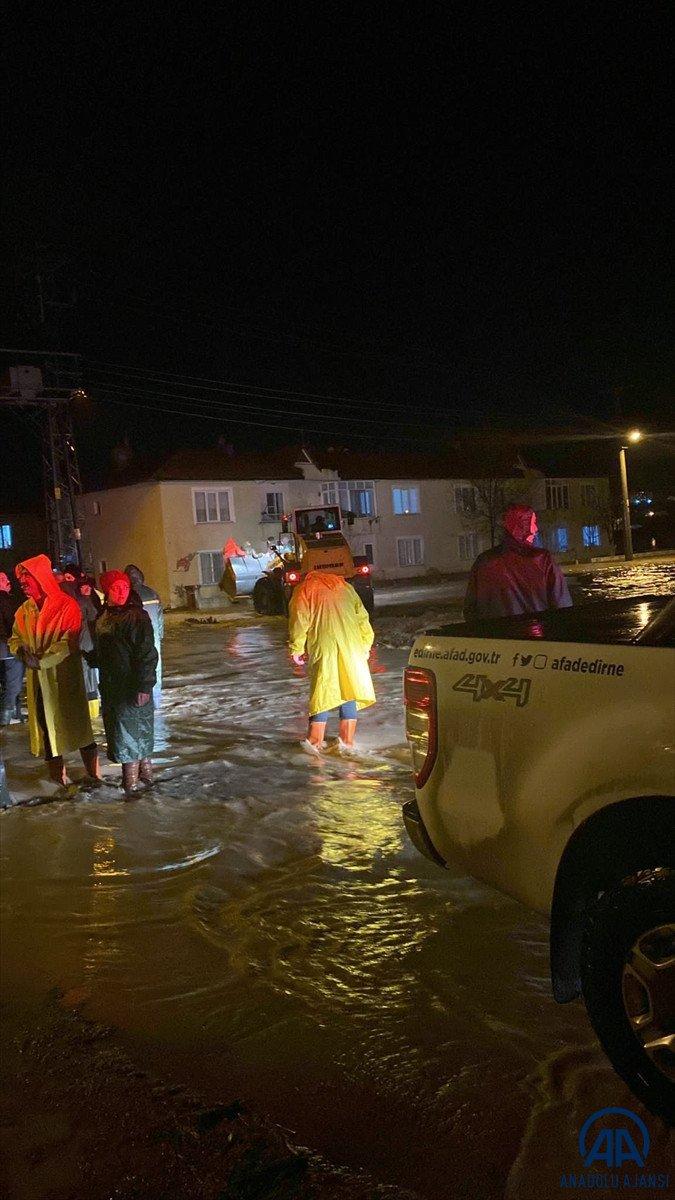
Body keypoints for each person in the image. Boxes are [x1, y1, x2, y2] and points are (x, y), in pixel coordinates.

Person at [8, 554, 100, 788]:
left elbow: (68, 642)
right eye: (21, 582)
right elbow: (15, 638)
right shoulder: (24, 611)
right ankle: (58, 781)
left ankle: (94, 775)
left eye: (27, 580)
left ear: (41, 578)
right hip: (39, 682)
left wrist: (42, 661)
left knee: (79, 727)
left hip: (65, 678)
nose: (23, 585)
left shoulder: (66, 605)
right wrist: (20, 651)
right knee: (47, 727)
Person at [288, 570, 375, 755]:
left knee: (322, 690)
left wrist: (297, 648)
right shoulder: (346, 588)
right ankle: (347, 742)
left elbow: (299, 620)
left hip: (324, 647)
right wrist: (365, 645)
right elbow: (363, 618)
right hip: (352, 647)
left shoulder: (305, 589)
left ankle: (314, 742)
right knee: (349, 688)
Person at [90, 570, 158, 796]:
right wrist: (92, 658)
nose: (121, 592)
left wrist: (144, 685)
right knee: (128, 733)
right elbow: (108, 650)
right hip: (113, 686)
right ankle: (145, 778)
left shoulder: (136, 616)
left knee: (131, 734)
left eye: (125, 587)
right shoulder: (105, 616)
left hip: (132, 685)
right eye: (116, 588)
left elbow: (147, 653)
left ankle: (131, 785)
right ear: (106, 590)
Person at [463, 503, 573, 621]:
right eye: (533, 523)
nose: (535, 530)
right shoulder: (542, 560)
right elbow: (562, 606)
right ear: (521, 526)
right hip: (537, 631)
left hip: (497, 632)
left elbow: (471, 611)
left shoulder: (484, 562)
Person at [61, 566, 103, 720]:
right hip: (82, 642)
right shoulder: (78, 599)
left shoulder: (87, 597)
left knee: (88, 674)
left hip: (86, 642)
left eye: (69, 578)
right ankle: (89, 710)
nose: (66, 581)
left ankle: (89, 709)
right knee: (86, 675)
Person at [124, 564, 164, 703]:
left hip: (135, 637)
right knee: (155, 666)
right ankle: (156, 698)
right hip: (154, 636)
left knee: (137, 665)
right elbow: (160, 617)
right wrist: (160, 635)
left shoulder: (128, 595)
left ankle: (139, 698)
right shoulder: (152, 593)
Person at [0, 570, 24, 725]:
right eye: (3, 579)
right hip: (8, 648)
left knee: (5, 682)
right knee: (13, 683)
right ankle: (6, 716)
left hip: (5, 649)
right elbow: (14, 623)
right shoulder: (7, 601)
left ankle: (14, 711)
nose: (8, 581)